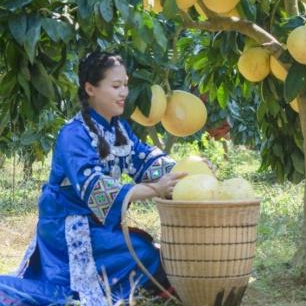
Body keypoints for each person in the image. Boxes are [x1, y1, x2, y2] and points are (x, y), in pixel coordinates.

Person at [0, 52, 186, 305]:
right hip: (69, 229)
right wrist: (155, 189)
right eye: (116, 86)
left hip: (99, 226)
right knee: (144, 255)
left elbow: (144, 159)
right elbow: (97, 191)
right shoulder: (73, 135)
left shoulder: (119, 128)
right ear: (90, 89)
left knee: (150, 255)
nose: (124, 93)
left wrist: (187, 171)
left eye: (126, 84)